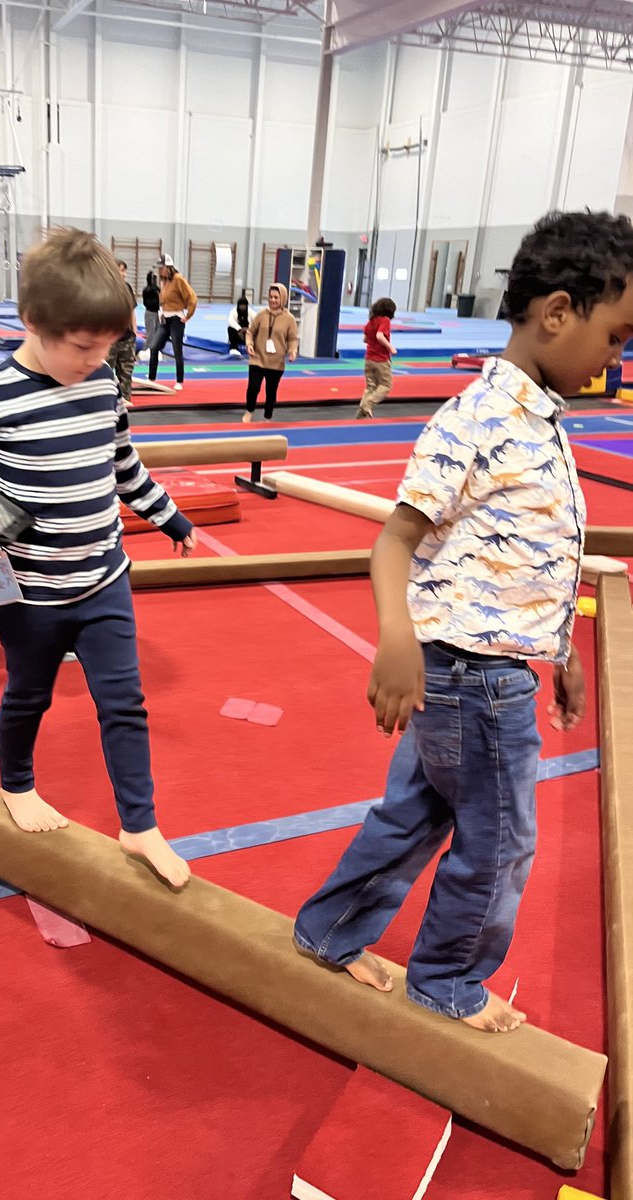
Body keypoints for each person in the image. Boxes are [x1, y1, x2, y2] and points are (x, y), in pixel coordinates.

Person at [293, 209, 633, 1033]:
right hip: (470, 679)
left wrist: (560, 649)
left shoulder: (537, 421)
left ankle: (329, 929)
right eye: (616, 337)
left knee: (416, 813)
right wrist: (395, 641)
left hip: (488, 666)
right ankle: (447, 979)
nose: (616, 358)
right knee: (504, 840)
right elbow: (393, 540)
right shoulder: (478, 419)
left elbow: (529, 553)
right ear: (558, 312)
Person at [0, 228, 197, 889]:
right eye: (82, 346)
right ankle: (17, 785)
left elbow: (122, 464)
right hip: (27, 590)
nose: (94, 359)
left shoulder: (103, 381)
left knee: (125, 701)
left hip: (104, 576)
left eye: (106, 346)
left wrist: (168, 515)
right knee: (28, 694)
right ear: (33, 323)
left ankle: (140, 826)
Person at [241, 283, 298, 423]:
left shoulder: (289, 319)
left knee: (271, 392)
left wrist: (292, 351)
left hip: (276, 363)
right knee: (253, 387)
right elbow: (250, 332)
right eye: (271, 297)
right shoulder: (261, 315)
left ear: (282, 298)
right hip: (257, 359)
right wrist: (249, 344)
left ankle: (267, 417)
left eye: (276, 297)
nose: (272, 300)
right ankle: (249, 410)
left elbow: (292, 339)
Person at [147, 253, 197, 392]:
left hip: (176, 319)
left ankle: (179, 380)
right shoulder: (164, 281)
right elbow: (163, 301)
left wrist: (188, 316)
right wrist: (161, 313)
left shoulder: (178, 279)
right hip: (165, 319)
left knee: (177, 350)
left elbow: (192, 297)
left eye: (161, 268)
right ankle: (151, 379)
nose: (159, 271)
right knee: (154, 346)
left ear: (168, 267)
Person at [357, 297, 397, 419]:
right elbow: (379, 336)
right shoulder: (385, 320)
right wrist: (391, 348)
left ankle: (361, 412)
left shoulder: (370, 322)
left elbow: (365, 339)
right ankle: (368, 403)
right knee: (386, 385)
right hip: (381, 360)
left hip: (368, 359)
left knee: (370, 386)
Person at [107, 259, 137, 407]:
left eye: (125, 271)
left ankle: (125, 398)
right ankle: (106, 400)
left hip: (126, 337)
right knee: (107, 371)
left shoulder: (127, 288)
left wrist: (134, 332)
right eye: (121, 270)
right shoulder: (105, 289)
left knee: (126, 371)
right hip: (110, 338)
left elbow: (131, 311)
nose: (124, 274)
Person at [227, 291, 256, 357]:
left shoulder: (251, 312)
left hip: (247, 335)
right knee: (230, 328)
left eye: (244, 305)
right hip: (237, 334)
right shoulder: (234, 311)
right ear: (238, 305)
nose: (242, 307)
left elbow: (257, 322)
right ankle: (234, 348)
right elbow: (230, 321)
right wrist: (239, 329)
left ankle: (253, 347)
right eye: (241, 305)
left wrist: (247, 329)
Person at [140, 270, 161, 358]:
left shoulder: (156, 289)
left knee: (156, 332)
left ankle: (154, 350)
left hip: (157, 312)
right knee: (150, 333)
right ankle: (146, 350)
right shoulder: (148, 290)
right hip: (150, 312)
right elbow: (146, 302)